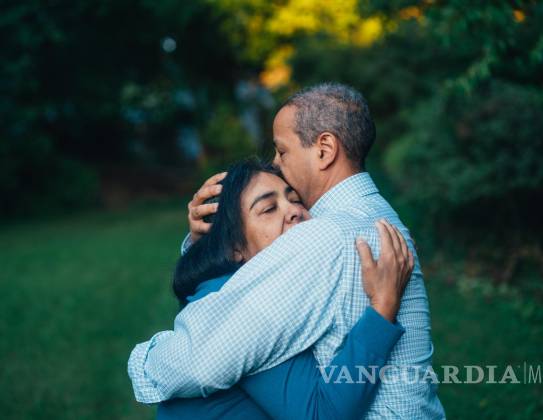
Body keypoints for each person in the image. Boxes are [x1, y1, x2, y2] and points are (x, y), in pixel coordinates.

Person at [129, 83, 445, 418]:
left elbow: (200, 361)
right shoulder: (378, 218)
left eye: (282, 151)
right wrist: (206, 240)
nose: (276, 164)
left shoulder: (323, 236)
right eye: (269, 208)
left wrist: (144, 361)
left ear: (324, 150)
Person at [157, 158, 413, 419]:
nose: (294, 211)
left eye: (295, 199)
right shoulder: (248, 308)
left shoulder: (238, 284)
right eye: (269, 208)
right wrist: (383, 307)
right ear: (233, 248)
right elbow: (321, 414)